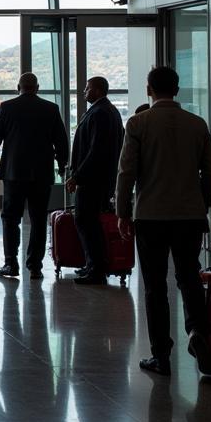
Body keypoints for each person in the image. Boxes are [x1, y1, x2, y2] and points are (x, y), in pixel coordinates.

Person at [116, 66, 211, 377]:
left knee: (155, 287)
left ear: (149, 89)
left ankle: (161, 355)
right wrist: (199, 201)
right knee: (189, 277)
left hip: (152, 216)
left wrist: (122, 212)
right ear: (177, 89)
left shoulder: (138, 123)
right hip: (189, 215)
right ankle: (199, 333)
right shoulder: (197, 124)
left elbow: (126, 172)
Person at [0, 72, 69, 280]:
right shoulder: (51, 109)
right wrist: (62, 164)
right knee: (39, 219)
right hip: (42, 173)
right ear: (37, 88)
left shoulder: (7, 107)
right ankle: (35, 266)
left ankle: (11, 263)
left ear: (17, 87)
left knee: (10, 219)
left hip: (14, 173)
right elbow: (61, 141)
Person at [66, 76, 125, 285]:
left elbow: (96, 150)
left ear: (98, 91)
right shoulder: (108, 111)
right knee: (89, 221)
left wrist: (77, 176)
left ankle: (96, 268)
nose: (84, 91)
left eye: (87, 88)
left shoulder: (100, 113)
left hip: (93, 180)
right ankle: (93, 265)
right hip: (101, 178)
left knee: (86, 221)